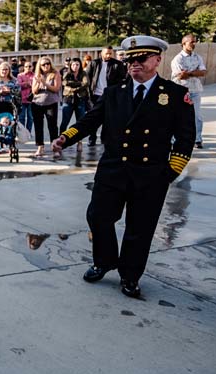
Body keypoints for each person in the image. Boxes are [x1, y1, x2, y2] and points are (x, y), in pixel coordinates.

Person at [52, 35, 195, 298]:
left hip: (150, 174)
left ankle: (130, 276)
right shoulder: (114, 92)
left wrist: (170, 172)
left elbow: (186, 138)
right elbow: (90, 120)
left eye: (140, 59)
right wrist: (66, 137)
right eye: (130, 60)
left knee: (139, 229)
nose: (134, 64)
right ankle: (105, 261)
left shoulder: (175, 95)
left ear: (157, 60)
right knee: (97, 216)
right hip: (113, 170)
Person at [85, 46, 127, 146]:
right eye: (106, 53)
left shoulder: (117, 64)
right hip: (95, 95)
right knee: (93, 118)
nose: (108, 55)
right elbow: (87, 79)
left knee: (107, 119)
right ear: (101, 53)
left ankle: (105, 139)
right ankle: (92, 138)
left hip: (109, 96)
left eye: (110, 53)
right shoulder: (94, 63)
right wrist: (88, 95)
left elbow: (122, 80)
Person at [171, 34, 206, 149]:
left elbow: (203, 72)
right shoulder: (178, 59)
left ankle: (197, 139)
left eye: (195, 42)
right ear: (184, 43)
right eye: (191, 42)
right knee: (178, 115)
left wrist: (189, 73)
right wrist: (195, 72)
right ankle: (174, 139)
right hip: (181, 90)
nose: (194, 44)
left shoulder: (197, 57)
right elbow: (181, 76)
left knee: (197, 116)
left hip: (195, 90)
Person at [30, 56, 62, 159]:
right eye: (43, 64)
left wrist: (45, 84)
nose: (46, 66)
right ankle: (40, 147)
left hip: (51, 103)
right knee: (38, 126)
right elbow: (34, 91)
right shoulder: (37, 75)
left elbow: (56, 89)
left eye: (47, 63)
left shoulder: (55, 74)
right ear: (40, 66)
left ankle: (55, 147)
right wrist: (39, 84)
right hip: (37, 103)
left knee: (52, 126)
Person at [59, 57, 90, 151]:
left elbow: (85, 83)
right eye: (73, 64)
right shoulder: (67, 73)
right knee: (65, 122)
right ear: (70, 65)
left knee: (80, 122)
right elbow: (64, 83)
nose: (75, 66)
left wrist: (73, 87)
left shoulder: (83, 73)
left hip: (80, 100)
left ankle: (79, 142)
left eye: (77, 64)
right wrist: (78, 84)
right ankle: (61, 140)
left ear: (80, 65)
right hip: (68, 99)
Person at [17, 60, 35, 132]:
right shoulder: (20, 75)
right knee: (22, 117)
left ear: (32, 67)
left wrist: (26, 84)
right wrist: (28, 84)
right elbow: (19, 85)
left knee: (30, 117)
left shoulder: (35, 75)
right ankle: (22, 132)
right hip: (22, 99)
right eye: (26, 66)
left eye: (30, 66)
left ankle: (28, 132)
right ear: (24, 67)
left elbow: (36, 85)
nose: (28, 68)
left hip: (32, 100)